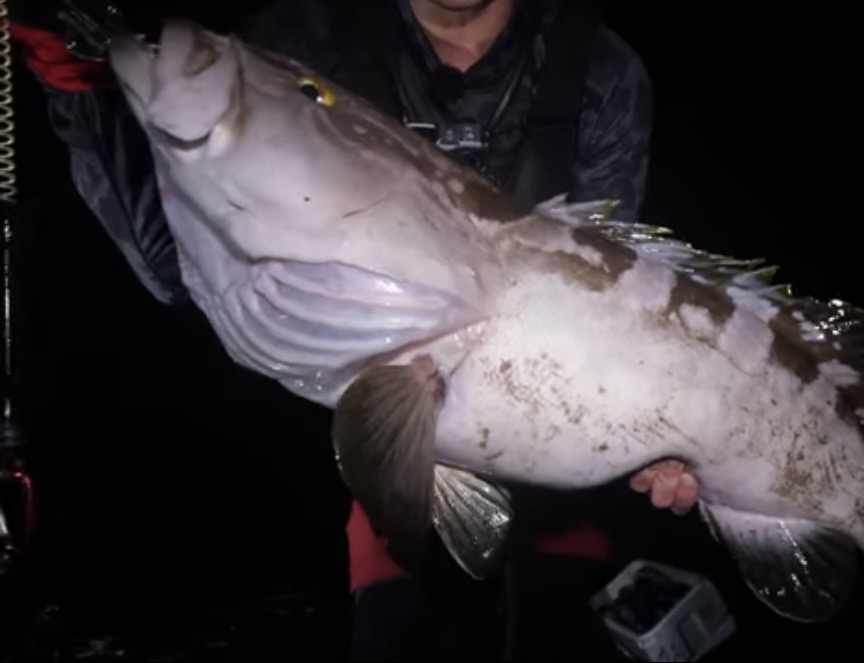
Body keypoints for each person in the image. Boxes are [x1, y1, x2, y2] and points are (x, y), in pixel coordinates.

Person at [9, 0, 700, 659]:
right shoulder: (300, 36)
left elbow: (621, 281)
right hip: (389, 459)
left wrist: (672, 426)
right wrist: (83, 86)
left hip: (566, 463)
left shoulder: (600, 69)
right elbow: (175, 260)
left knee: (554, 628)